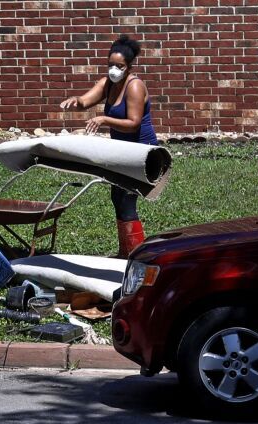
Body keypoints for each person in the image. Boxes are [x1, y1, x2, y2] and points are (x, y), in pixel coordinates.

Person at [60, 34, 157, 257]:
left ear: (130, 66)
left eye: (119, 66)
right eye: (111, 64)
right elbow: (86, 100)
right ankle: (126, 252)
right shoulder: (108, 83)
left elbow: (133, 124)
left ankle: (135, 256)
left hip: (143, 153)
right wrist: (76, 101)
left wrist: (104, 120)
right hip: (122, 152)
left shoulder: (134, 86)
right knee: (117, 197)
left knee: (126, 198)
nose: (114, 69)